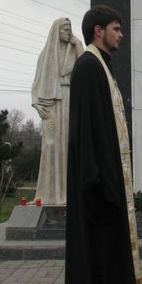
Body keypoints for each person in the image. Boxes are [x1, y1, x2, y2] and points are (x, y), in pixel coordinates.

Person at [64, 5, 142, 284]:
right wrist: (97, 189)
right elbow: (86, 133)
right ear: (98, 30)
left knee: (110, 263)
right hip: (98, 192)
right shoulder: (87, 68)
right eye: (116, 28)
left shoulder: (102, 68)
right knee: (99, 263)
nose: (121, 35)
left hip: (108, 188)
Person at [32, 18, 84, 205]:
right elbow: (37, 82)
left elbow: (84, 67)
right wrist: (36, 103)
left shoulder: (73, 51)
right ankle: (49, 193)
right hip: (51, 103)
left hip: (70, 99)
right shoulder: (45, 55)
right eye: (65, 29)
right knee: (51, 145)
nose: (68, 32)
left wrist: (78, 44)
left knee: (70, 144)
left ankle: (70, 193)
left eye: (70, 29)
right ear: (56, 31)